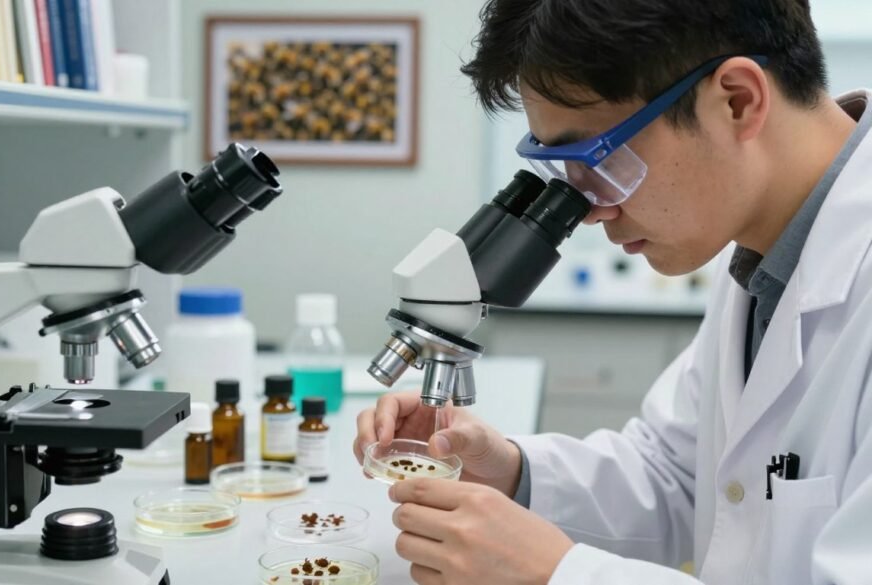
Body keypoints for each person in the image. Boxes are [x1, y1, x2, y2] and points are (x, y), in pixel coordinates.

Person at [353, 1, 872, 583]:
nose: (592, 210)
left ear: (738, 100)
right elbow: (677, 475)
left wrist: (557, 574)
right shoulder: (764, 257)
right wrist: (511, 473)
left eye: (599, 160)